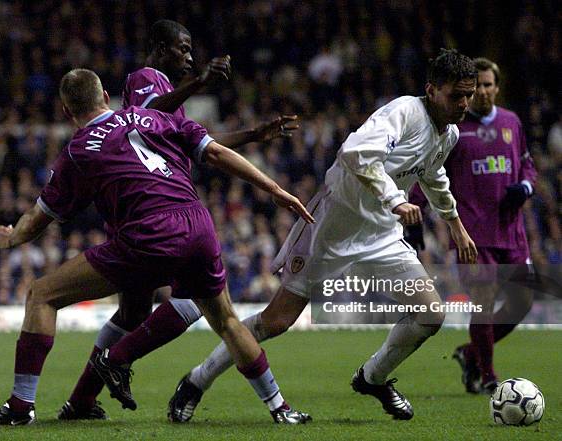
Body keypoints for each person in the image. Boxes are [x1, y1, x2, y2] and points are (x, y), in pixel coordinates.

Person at [163, 48, 479, 423]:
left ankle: (373, 378)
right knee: (275, 322)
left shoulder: (450, 133)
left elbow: (432, 174)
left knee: (430, 313)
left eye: (469, 94)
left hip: (380, 236)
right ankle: (196, 381)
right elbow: (355, 152)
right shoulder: (404, 113)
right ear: (431, 90)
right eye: (455, 95)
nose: (463, 103)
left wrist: (455, 223)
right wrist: (396, 200)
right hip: (330, 230)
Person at [0, 68, 314, 425]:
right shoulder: (155, 116)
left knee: (42, 294)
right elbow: (216, 154)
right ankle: (281, 408)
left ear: (66, 112)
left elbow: (40, 215)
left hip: (148, 233)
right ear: (105, 96)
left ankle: (21, 408)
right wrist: (277, 191)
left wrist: (13, 236)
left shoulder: (79, 150)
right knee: (228, 321)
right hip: (198, 225)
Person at [60, 19, 300, 420]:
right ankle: (114, 361)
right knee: (191, 307)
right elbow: (144, 115)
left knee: (133, 313)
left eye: (190, 50)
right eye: (182, 49)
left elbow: (193, 140)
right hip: (152, 217)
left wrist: (252, 135)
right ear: (159, 47)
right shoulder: (146, 77)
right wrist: (200, 82)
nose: (189, 57)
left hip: (148, 214)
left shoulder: (169, 92)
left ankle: (82, 399)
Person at [409, 58, 537, 394]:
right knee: (482, 300)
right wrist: (415, 211)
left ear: (497, 87)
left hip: (512, 231)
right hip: (472, 235)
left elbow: (528, 166)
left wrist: (525, 186)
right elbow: (427, 174)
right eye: (476, 85)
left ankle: (471, 354)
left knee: (521, 303)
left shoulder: (512, 122)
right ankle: (488, 375)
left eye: (488, 85)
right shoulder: (454, 129)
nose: (482, 91)